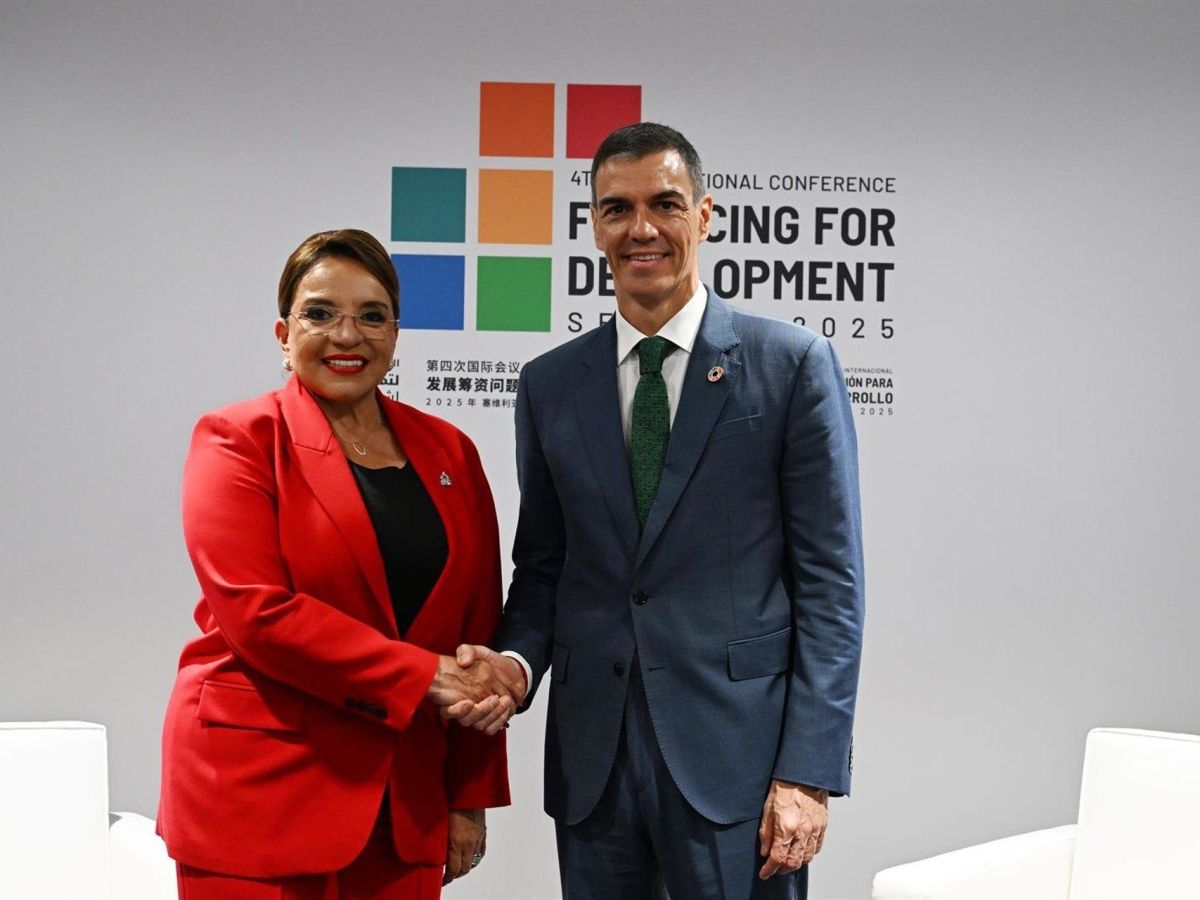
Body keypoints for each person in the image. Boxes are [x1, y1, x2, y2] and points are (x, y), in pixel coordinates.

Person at [450, 124, 865, 899]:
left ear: (704, 216)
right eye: (617, 209)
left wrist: (807, 772)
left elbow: (831, 588)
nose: (641, 228)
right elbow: (544, 568)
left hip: (740, 767)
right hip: (595, 765)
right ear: (594, 226)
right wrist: (514, 664)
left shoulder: (791, 366)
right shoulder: (549, 385)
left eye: (665, 204)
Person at [158, 229, 515, 899]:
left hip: (405, 804)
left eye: (371, 316)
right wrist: (423, 676)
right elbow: (258, 615)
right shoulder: (238, 439)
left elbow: (474, 635)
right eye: (320, 313)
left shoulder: (451, 453)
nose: (346, 335)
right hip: (259, 793)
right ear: (283, 333)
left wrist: (468, 792)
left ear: (396, 335)